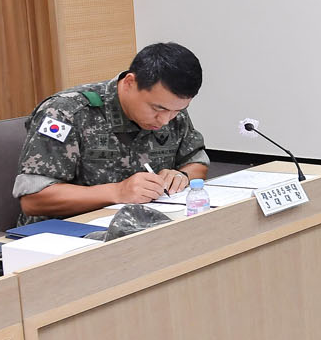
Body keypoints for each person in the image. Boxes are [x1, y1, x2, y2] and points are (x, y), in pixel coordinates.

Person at [13, 42, 208, 220]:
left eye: (177, 110)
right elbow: (33, 200)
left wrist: (182, 177)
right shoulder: (65, 113)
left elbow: (197, 162)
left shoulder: (171, 110)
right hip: (67, 233)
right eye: (158, 109)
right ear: (130, 82)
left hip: (142, 226)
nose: (165, 120)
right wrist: (118, 192)